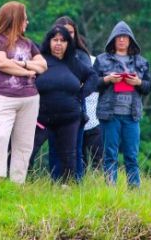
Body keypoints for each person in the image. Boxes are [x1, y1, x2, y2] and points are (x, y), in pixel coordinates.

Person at [0, 1, 47, 184]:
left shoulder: (28, 43)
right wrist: (28, 72)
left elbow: (43, 65)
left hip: (29, 98)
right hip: (3, 97)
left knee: (24, 143)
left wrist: (23, 64)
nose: (27, 22)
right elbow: (0, 63)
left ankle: (17, 183)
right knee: (1, 136)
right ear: (15, 19)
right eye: (24, 18)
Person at [31, 25, 97, 182]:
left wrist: (81, 94)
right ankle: (21, 182)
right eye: (55, 40)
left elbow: (92, 76)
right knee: (29, 150)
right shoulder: (41, 61)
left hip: (69, 116)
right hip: (41, 116)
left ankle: (67, 186)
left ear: (68, 43)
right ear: (49, 41)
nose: (58, 44)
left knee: (69, 154)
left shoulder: (73, 62)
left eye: (62, 40)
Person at [93, 21, 151, 188]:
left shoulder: (141, 62)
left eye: (125, 37)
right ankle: (110, 190)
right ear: (112, 39)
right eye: (118, 37)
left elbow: (148, 87)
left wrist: (138, 82)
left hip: (132, 115)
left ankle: (134, 190)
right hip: (109, 115)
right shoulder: (101, 60)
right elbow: (93, 84)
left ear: (130, 40)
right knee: (110, 154)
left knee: (132, 156)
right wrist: (108, 79)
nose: (121, 40)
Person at [47, 16, 93, 179]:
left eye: (71, 32)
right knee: (54, 147)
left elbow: (90, 79)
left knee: (75, 148)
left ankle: (76, 184)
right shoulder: (47, 57)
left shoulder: (80, 56)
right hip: (51, 108)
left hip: (75, 107)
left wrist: (79, 93)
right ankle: (55, 182)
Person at [82, 55, 102, 170]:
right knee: (80, 158)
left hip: (96, 120)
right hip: (78, 120)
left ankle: (98, 184)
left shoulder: (96, 62)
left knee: (98, 159)